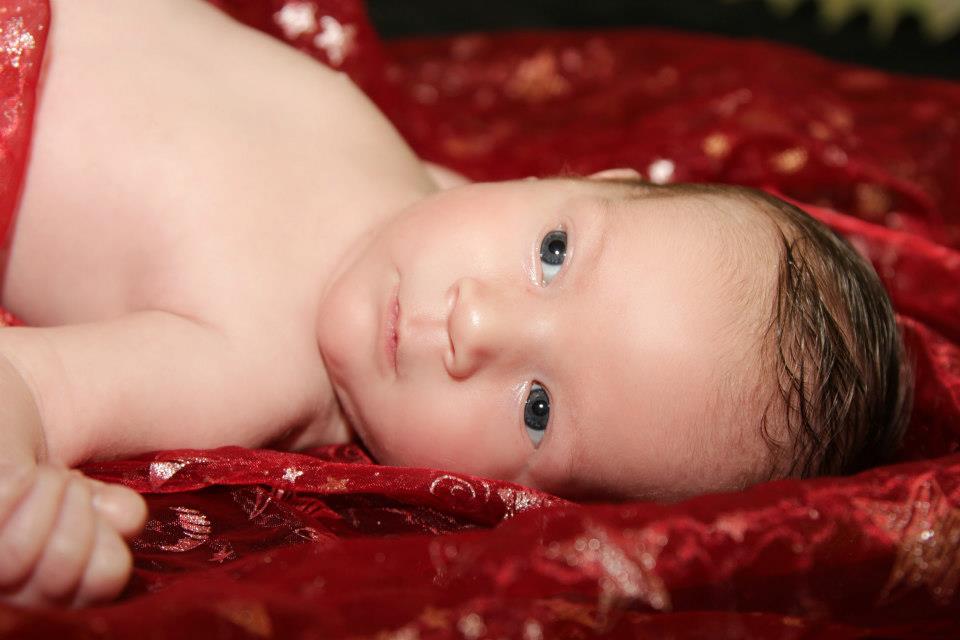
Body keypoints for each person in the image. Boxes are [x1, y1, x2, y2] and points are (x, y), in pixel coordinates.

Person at [0, 0, 911, 608]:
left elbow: (30, 385)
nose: (475, 324)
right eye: (553, 254)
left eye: (537, 407)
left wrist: (23, 506)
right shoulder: (431, 191)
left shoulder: (250, 366)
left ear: (515, 501)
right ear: (579, 179)